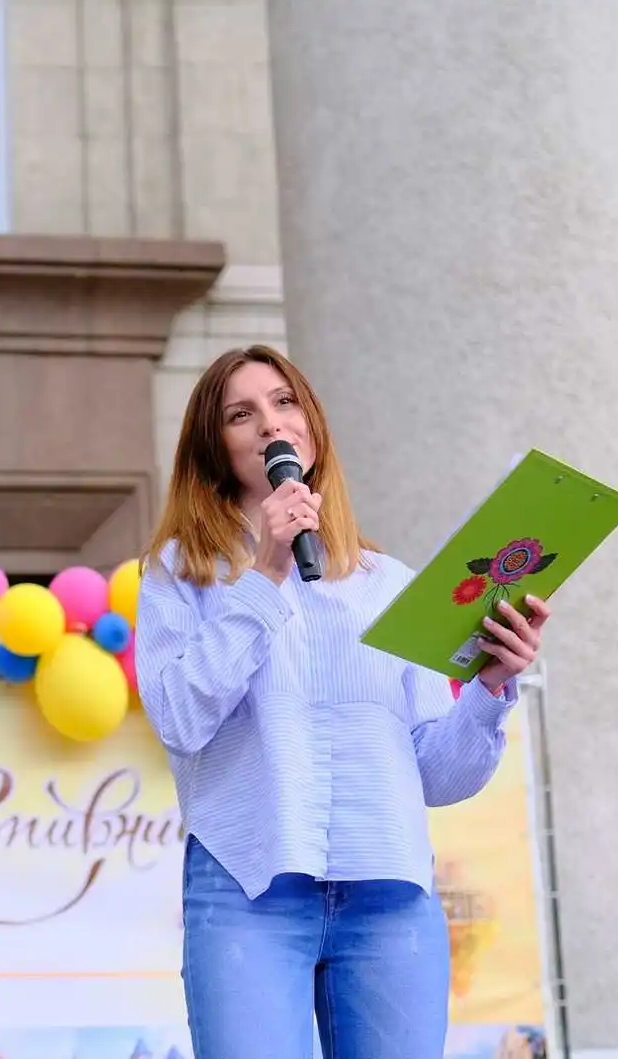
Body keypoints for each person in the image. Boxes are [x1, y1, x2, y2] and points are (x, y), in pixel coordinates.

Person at [135, 345, 550, 1059]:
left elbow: (437, 776)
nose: (271, 424)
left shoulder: (389, 583)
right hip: (250, 886)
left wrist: (487, 689)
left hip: (389, 898)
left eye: (284, 402)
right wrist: (266, 572)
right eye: (242, 414)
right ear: (215, 446)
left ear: (313, 425)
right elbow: (179, 718)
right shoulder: (183, 572)